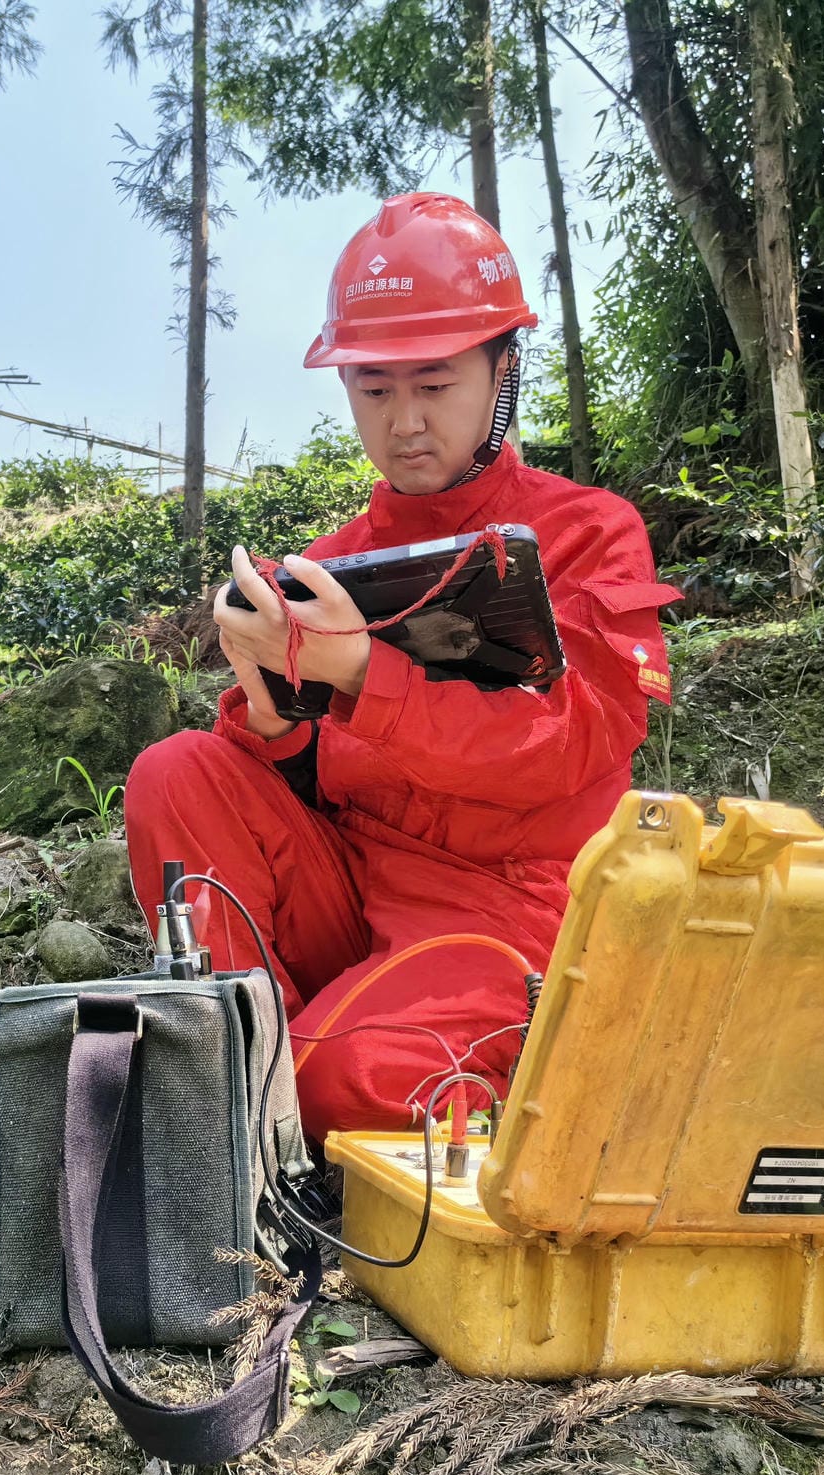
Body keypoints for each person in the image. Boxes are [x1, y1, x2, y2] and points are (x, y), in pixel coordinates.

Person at [124, 191, 680, 1138]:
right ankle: (239, 1049)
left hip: (508, 911)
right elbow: (284, 786)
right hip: (355, 880)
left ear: (502, 371)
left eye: (435, 384)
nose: (405, 421)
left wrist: (359, 674)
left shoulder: (590, 533)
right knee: (175, 770)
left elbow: (573, 745)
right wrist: (270, 709)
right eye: (374, 389)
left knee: (336, 1080)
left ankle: (490, 1064)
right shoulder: (333, 558)